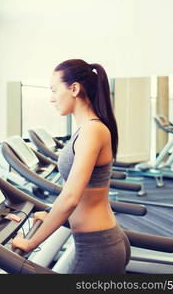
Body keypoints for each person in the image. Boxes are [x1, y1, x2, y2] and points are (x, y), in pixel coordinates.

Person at [12, 59, 130, 273]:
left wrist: (31, 243)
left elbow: (71, 198)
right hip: (98, 241)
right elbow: (73, 191)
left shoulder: (92, 131)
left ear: (74, 88)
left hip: (97, 247)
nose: (51, 98)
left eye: (54, 90)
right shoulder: (86, 129)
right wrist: (49, 213)